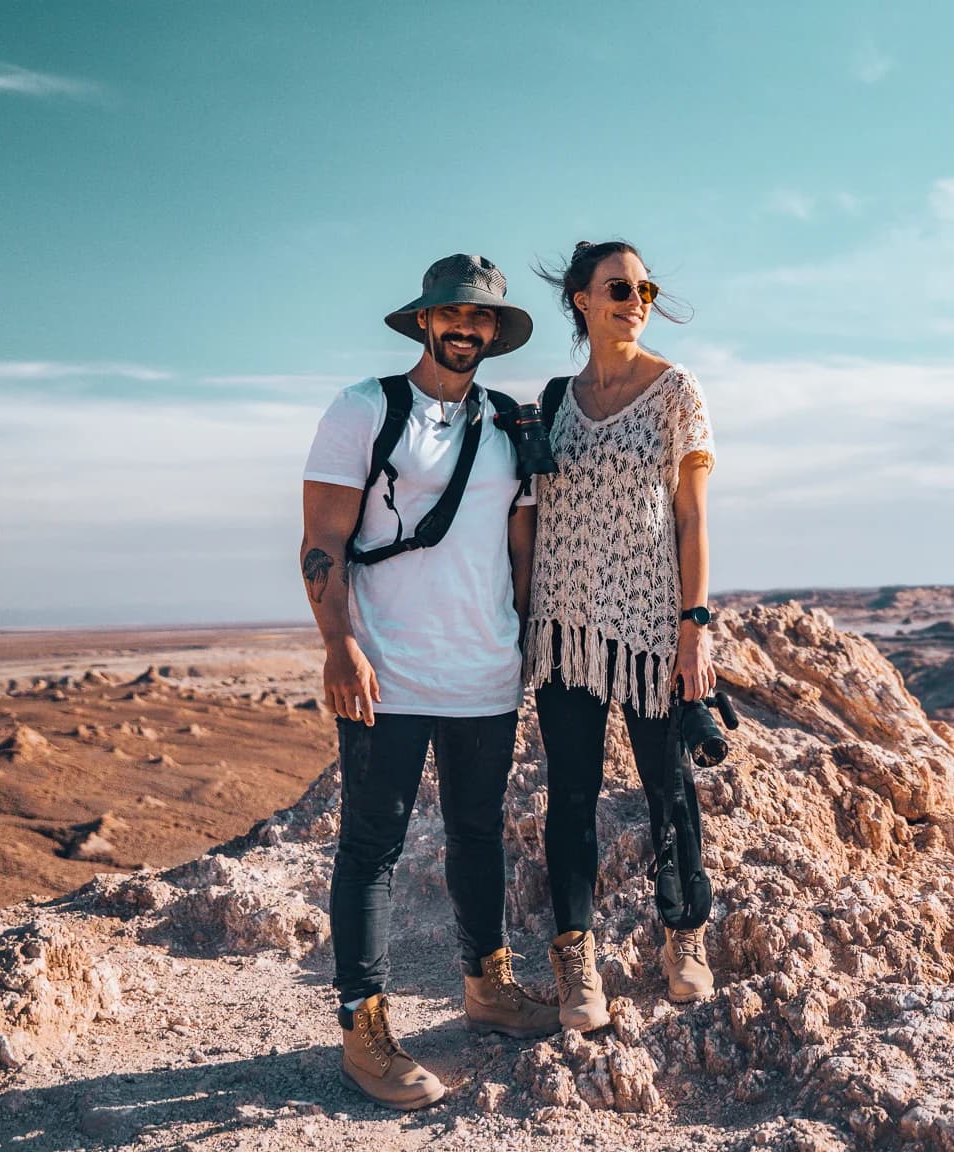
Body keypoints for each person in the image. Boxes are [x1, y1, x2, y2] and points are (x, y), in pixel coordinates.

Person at [298, 254, 558, 1110]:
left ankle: (487, 986)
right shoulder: (364, 410)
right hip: (389, 670)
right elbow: (322, 542)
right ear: (423, 320)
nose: (467, 329)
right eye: (453, 314)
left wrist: (526, 639)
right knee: (371, 848)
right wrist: (339, 644)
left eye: (482, 320)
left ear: (494, 333)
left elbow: (520, 550)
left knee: (478, 833)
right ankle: (362, 1030)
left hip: (484, 669)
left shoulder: (509, 426)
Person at [523, 240, 718, 1032]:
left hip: (648, 630)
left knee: (667, 787)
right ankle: (577, 962)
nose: (635, 297)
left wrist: (693, 627)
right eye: (618, 286)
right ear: (580, 300)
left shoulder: (676, 392)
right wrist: (516, 615)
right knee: (569, 794)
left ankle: (684, 937)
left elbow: (693, 516)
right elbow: (532, 517)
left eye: (645, 287)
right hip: (565, 627)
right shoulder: (553, 400)